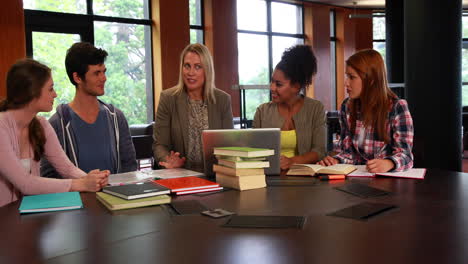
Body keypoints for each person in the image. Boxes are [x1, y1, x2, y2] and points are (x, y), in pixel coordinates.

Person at [0, 59, 109, 207]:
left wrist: (92, 179)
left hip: (26, 217)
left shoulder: (42, 125)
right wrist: (82, 184)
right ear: (31, 91)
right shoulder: (1, 126)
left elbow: (66, 168)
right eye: (50, 89)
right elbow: (25, 183)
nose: (55, 94)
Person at [41, 42, 137, 178]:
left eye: (104, 71)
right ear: (77, 78)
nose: (103, 78)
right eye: (96, 73)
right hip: (75, 198)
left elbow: (130, 165)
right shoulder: (58, 123)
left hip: (115, 196)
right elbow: (48, 175)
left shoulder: (116, 117)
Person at [318, 49, 414, 173]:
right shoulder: (346, 106)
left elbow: (406, 156)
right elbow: (349, 154)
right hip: (358, 179)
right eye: (347, 76)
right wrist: (336, 160)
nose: (346, 83)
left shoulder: (397, 107)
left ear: (371, 80)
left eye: (352, 77)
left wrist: (389, 163)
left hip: (388, 180)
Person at [153, 43, 234, 172]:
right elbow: (159, 145)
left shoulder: (222, 100)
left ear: (207, 70)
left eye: (198, 67)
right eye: (187, 66)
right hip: (180, 175)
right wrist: (168, 160)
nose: (191, 73)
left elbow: (230, 146)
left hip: (216, 175)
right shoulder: (168, 98)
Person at [252, 45, 326, 170]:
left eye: (278, 84)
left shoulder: (315, 109)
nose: (272, 88)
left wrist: (292, 161)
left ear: (296, 86)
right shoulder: (262, 111)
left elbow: (319, 151)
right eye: (272, 81)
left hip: (305, 178)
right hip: (269, 178)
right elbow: (253, 150)